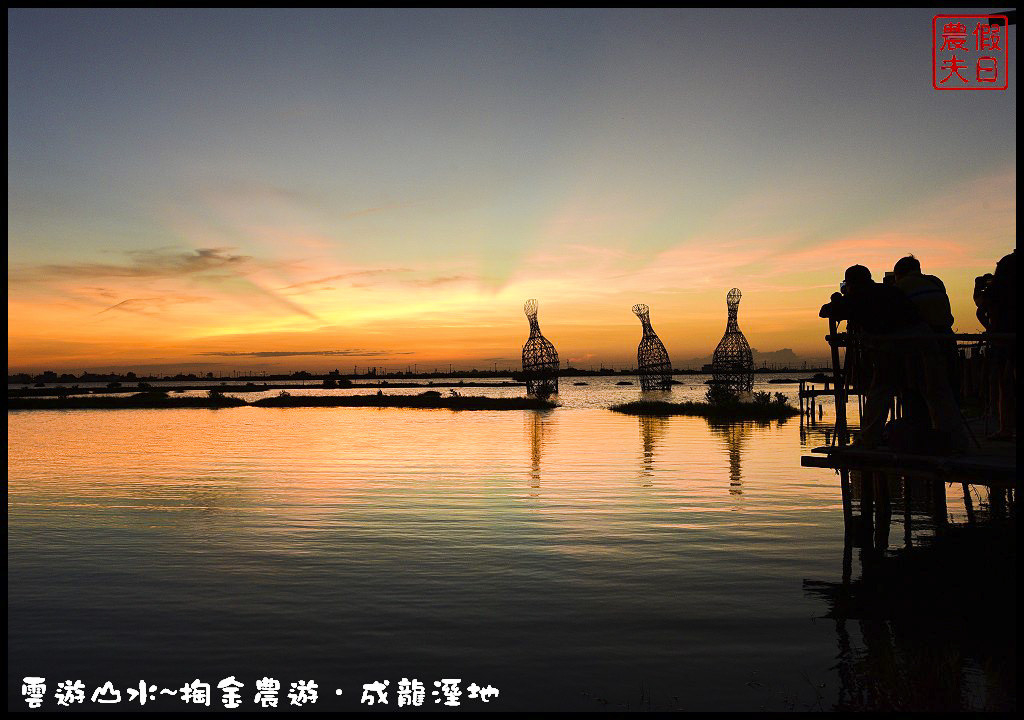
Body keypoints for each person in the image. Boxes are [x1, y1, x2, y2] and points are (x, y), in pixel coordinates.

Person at [820, 265, 967, 452]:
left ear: (851, 285)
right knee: (936, 391)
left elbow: (825, 311)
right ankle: (955, 441)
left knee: (881, 390)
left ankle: (868, 440)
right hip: (924, 339)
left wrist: (839, 300)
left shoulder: (857, 298)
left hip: (897, 344)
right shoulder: (889, 290)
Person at [981, 250, 1016, 440]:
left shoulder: (996, 290)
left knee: (1005, 383)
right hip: (1005, 335)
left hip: (1003, 337)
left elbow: (982, 308)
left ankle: (1006, 427)